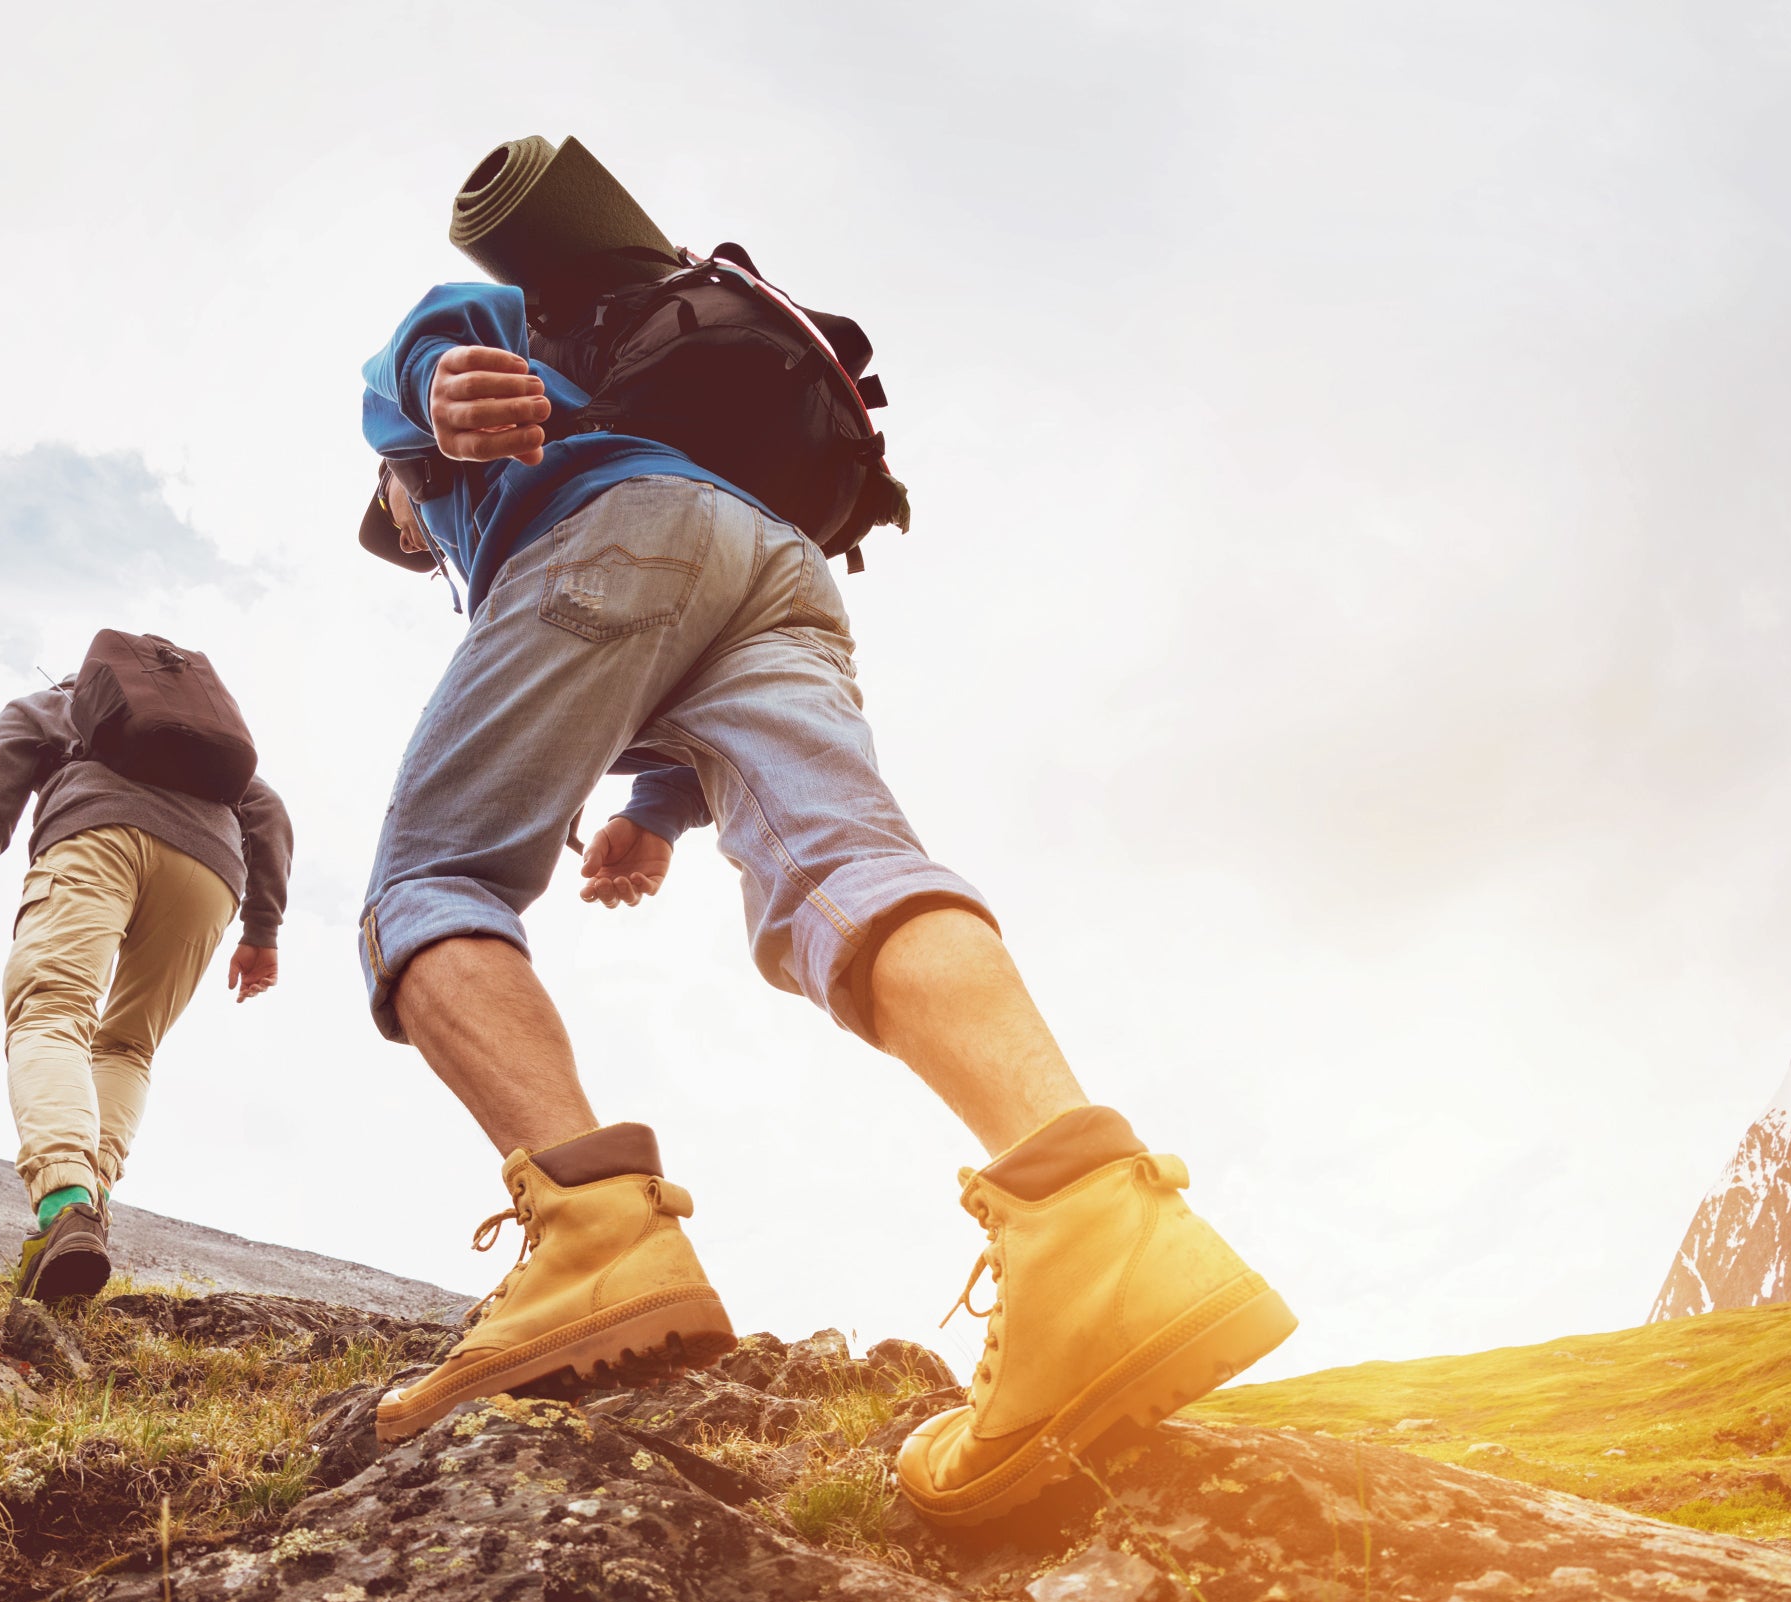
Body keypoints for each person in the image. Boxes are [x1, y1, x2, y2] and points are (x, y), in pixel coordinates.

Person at [357, 271, 1294, 1528]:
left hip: (608, 532)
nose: (404, 533)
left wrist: (430, 387)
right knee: (843, 870)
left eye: (393, 519)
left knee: (434, 880)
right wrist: (654, 814)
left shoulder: (454, 469)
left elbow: (441, 321)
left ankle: (597, 1245)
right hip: (775, 566)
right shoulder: (662, 450)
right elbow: (671, 647)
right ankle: (1092, 1222)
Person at [0, 677, 292, 1304]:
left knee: (51, 1014)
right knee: (126, 1049)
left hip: (99, 838)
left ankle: (67, 1209)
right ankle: (88, 1212)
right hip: (210, 872)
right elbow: (269, 811)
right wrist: (262, 927)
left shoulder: (47, 709)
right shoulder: (200, 737)